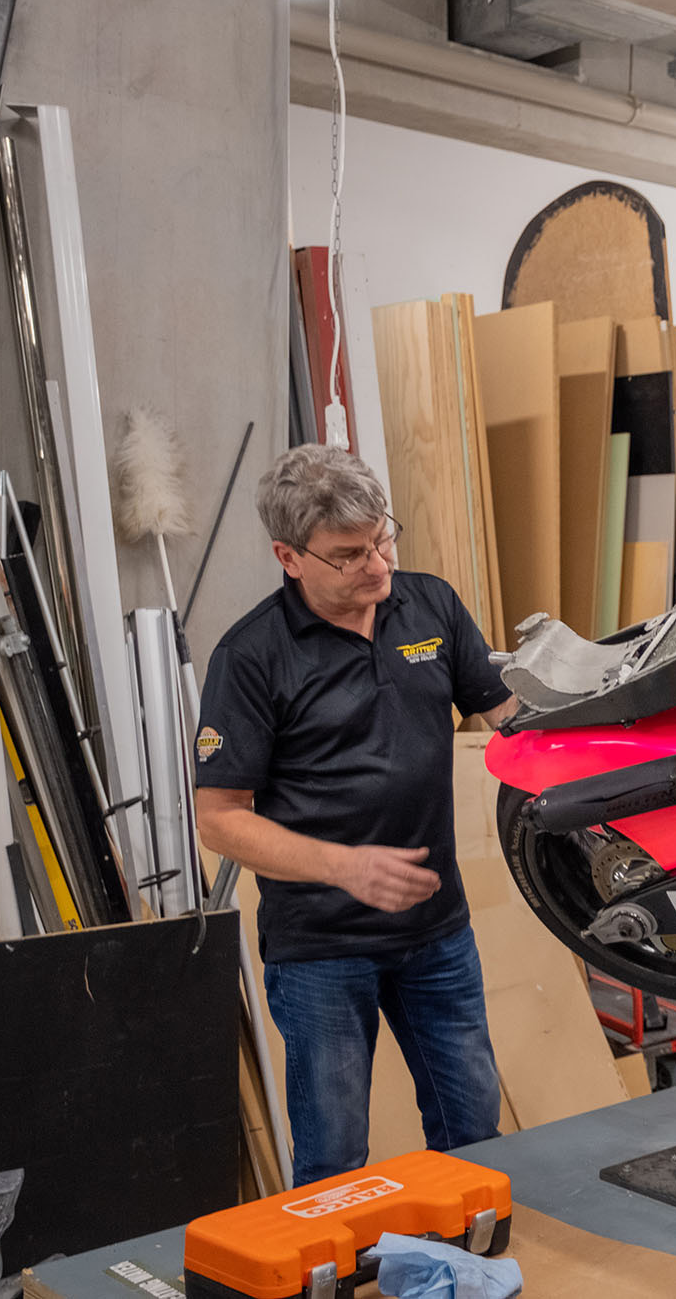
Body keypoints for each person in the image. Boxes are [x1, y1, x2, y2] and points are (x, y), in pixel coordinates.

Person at [195, 445, 519, 1186]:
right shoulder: (250, 657)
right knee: (335, 1158)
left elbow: (505, 712)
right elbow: (218, 818)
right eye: (348, 554)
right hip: (321, 951)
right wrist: (347, 866)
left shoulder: (429, 603)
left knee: (475, 1132)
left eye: (383, 538)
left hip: (437, 934)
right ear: (289, 556)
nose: (377, 565)